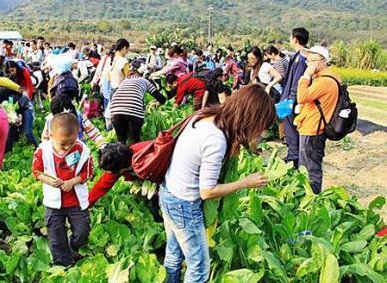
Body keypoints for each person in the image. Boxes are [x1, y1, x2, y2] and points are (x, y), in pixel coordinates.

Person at [161, 84, 276, 282]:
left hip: (169, 192)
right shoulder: (216, 139)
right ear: (250, 118)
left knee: (174, 252)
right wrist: (245, 183)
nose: (259, 132)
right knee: (199, 268)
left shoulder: (206, 117)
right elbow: (207, 191)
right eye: (259, 126)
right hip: (184, 205)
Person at [32, 113, 94, 267]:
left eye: (71, 142)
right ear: (51, 135)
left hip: (76, 201)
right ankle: (63, 264)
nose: (67, 147)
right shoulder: (43, 151)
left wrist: (73, 181)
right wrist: (51, 181)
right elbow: (37, 171)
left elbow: (88, 171)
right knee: (55, 235)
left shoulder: (82, 150)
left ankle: (73, 247)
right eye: (63, 144)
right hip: (53, 203)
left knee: (82, 231)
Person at [295, 46, 339, 194]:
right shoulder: (323, 78)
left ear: (324, 61)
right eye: (308, 61)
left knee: (310, 168)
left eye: (313, 60)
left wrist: (305, 76)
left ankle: (312, 198)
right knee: (307, 166)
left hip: (313, 130)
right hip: (311, 128)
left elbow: (301, 97)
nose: (309, 64)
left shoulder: (325, 81)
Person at [110, 61, 166, 144]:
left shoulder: (124, 82)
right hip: (133, 111)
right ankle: (135, 155)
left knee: (121, 140)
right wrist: (156, 103)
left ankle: (121, 154)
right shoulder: (145, 81)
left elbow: (114, 96)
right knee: (134, 141)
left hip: (116, 109)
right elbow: (162, 98)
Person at [281, 27, 309, 168]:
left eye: (290, 37)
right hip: (290, 98)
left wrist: (290, 100)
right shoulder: (298, 56)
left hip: (292, 100)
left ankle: (294, 157)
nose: (289, 40)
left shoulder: (301, 59)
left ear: (295, 39)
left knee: (291, 129)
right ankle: (293, 154)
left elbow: (297, 81)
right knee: (289, 128)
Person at [41, 94, 106, 150]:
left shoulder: (79, 117)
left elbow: (94, 133)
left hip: (79, 154)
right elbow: (45, 139)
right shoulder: (50, 121)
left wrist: (104, 146)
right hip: (59, 157)